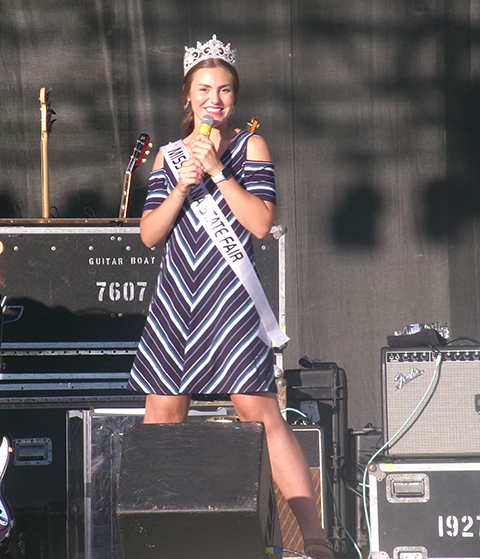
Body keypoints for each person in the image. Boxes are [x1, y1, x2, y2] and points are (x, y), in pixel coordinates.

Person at [126, 34, 334, 559]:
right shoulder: (169, 158)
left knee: (260, 413)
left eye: (223, 90)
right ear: (188, 97)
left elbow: (261, 223)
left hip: (229, 296)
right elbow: (150, 234)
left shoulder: (249, 147)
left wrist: (218, 173)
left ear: (234, 100)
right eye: (204, 89)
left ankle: (309, 538)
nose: (213, 99)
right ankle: (160, 539)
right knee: (163, 412)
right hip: (179, 297)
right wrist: (182, 183)